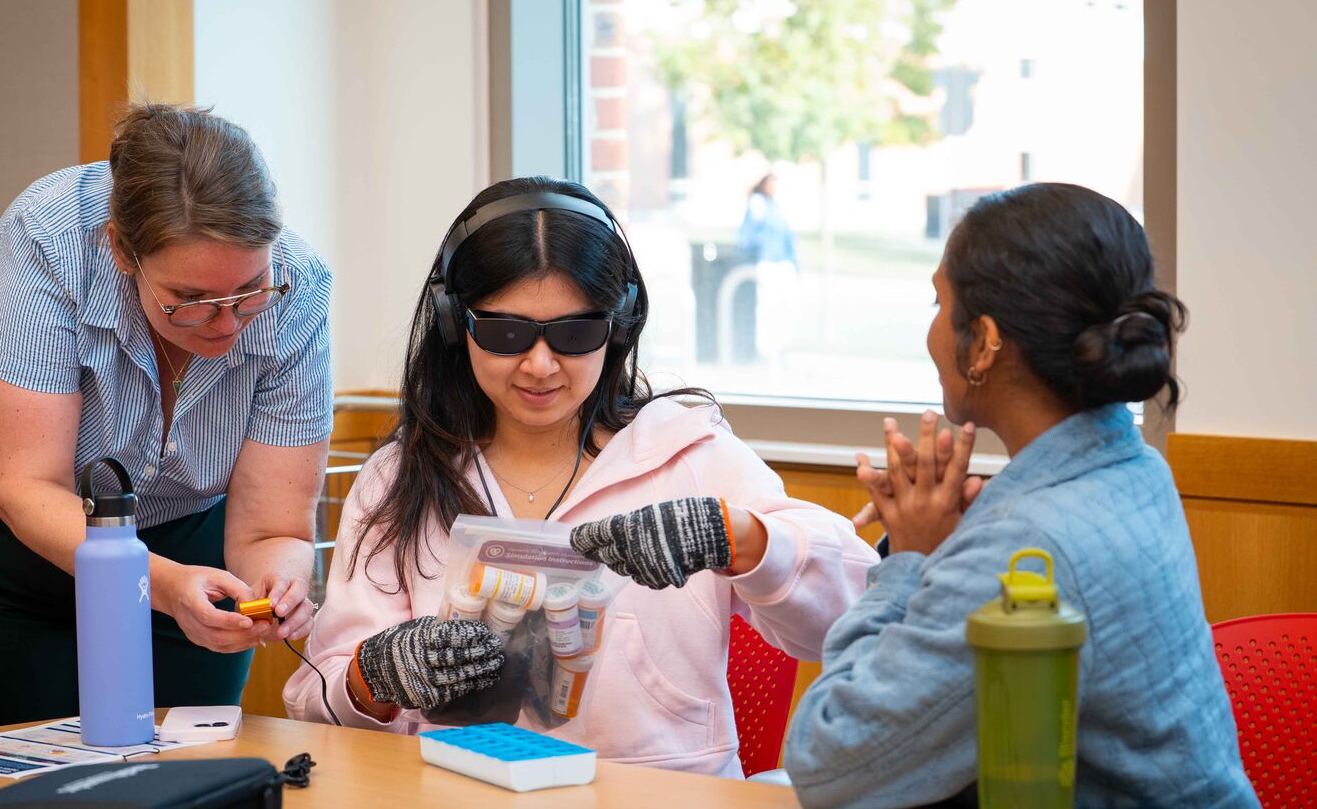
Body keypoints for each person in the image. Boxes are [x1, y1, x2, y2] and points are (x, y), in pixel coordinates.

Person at [285, 176, 877, 776]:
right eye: (505, 333)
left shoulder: (689, 457)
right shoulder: (399, 479)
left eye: (574, 334)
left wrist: (741, 537)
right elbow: (316, 699)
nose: (540, 365)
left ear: (618, 325)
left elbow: (857, 614)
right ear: (452, 322)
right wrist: (376, 676)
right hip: (455, 791)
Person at [784, 183, 1257, 806]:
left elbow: (828, 759)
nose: (929, 331)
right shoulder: (1132, 466)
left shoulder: (1027, 544)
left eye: (937, 301)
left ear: (982, 342)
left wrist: (908, 564)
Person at [0, 104, 333, 725]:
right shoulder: (49, 237)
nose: (227, 323)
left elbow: (273, 528)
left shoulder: (299, 289)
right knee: (34, 764)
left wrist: (279, 588)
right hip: (18, 541)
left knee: (191, 761)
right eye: (189, 300)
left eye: (249, 291)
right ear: (120, 249)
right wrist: (160, 587)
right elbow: (27, 484)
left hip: (185, 538)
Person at [737, 173, 798, 362]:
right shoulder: (758, 204)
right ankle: (764, 350)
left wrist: (795, 263)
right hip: (766, 262)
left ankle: (780, 348)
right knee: (766, 306)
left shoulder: (776, 207)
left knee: (784, 307)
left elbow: (788, 237)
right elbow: (748, 235)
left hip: (782, 263)